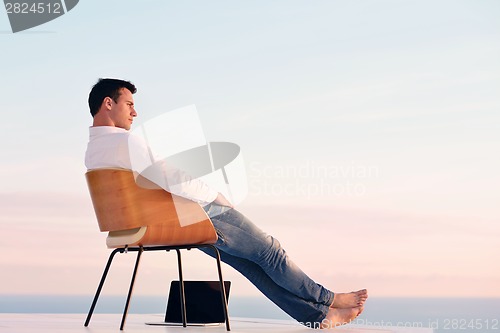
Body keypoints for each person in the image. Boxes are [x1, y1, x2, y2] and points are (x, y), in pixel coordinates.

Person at [85, 78, 368, 329]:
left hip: (148, 224)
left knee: (251, 264)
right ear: (108, 103)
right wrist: (216, 196)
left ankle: (318, 317)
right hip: (186, 217)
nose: (135, 112)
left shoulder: (93, 151)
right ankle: (327, 298)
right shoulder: (126, 142)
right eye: (129, 104)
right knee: (270, 251)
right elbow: (171, 176)